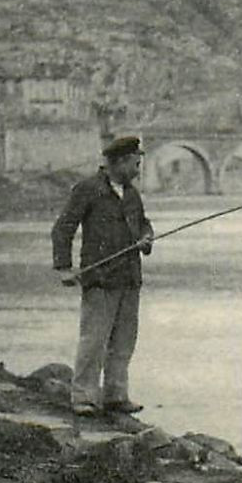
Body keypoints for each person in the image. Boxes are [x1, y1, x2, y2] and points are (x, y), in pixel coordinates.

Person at [51, 136, 154, 416]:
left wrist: (146, 239)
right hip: (100, 278)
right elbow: (63, 228)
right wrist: (64, 267)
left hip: (130, 279)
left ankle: (116, 395)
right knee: (94, 340)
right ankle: (83, 397)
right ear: (119, 162)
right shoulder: (87, 189)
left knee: (123, 342)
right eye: (135, 163)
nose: (138, 169)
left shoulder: (132, 194)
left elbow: (145, 225)